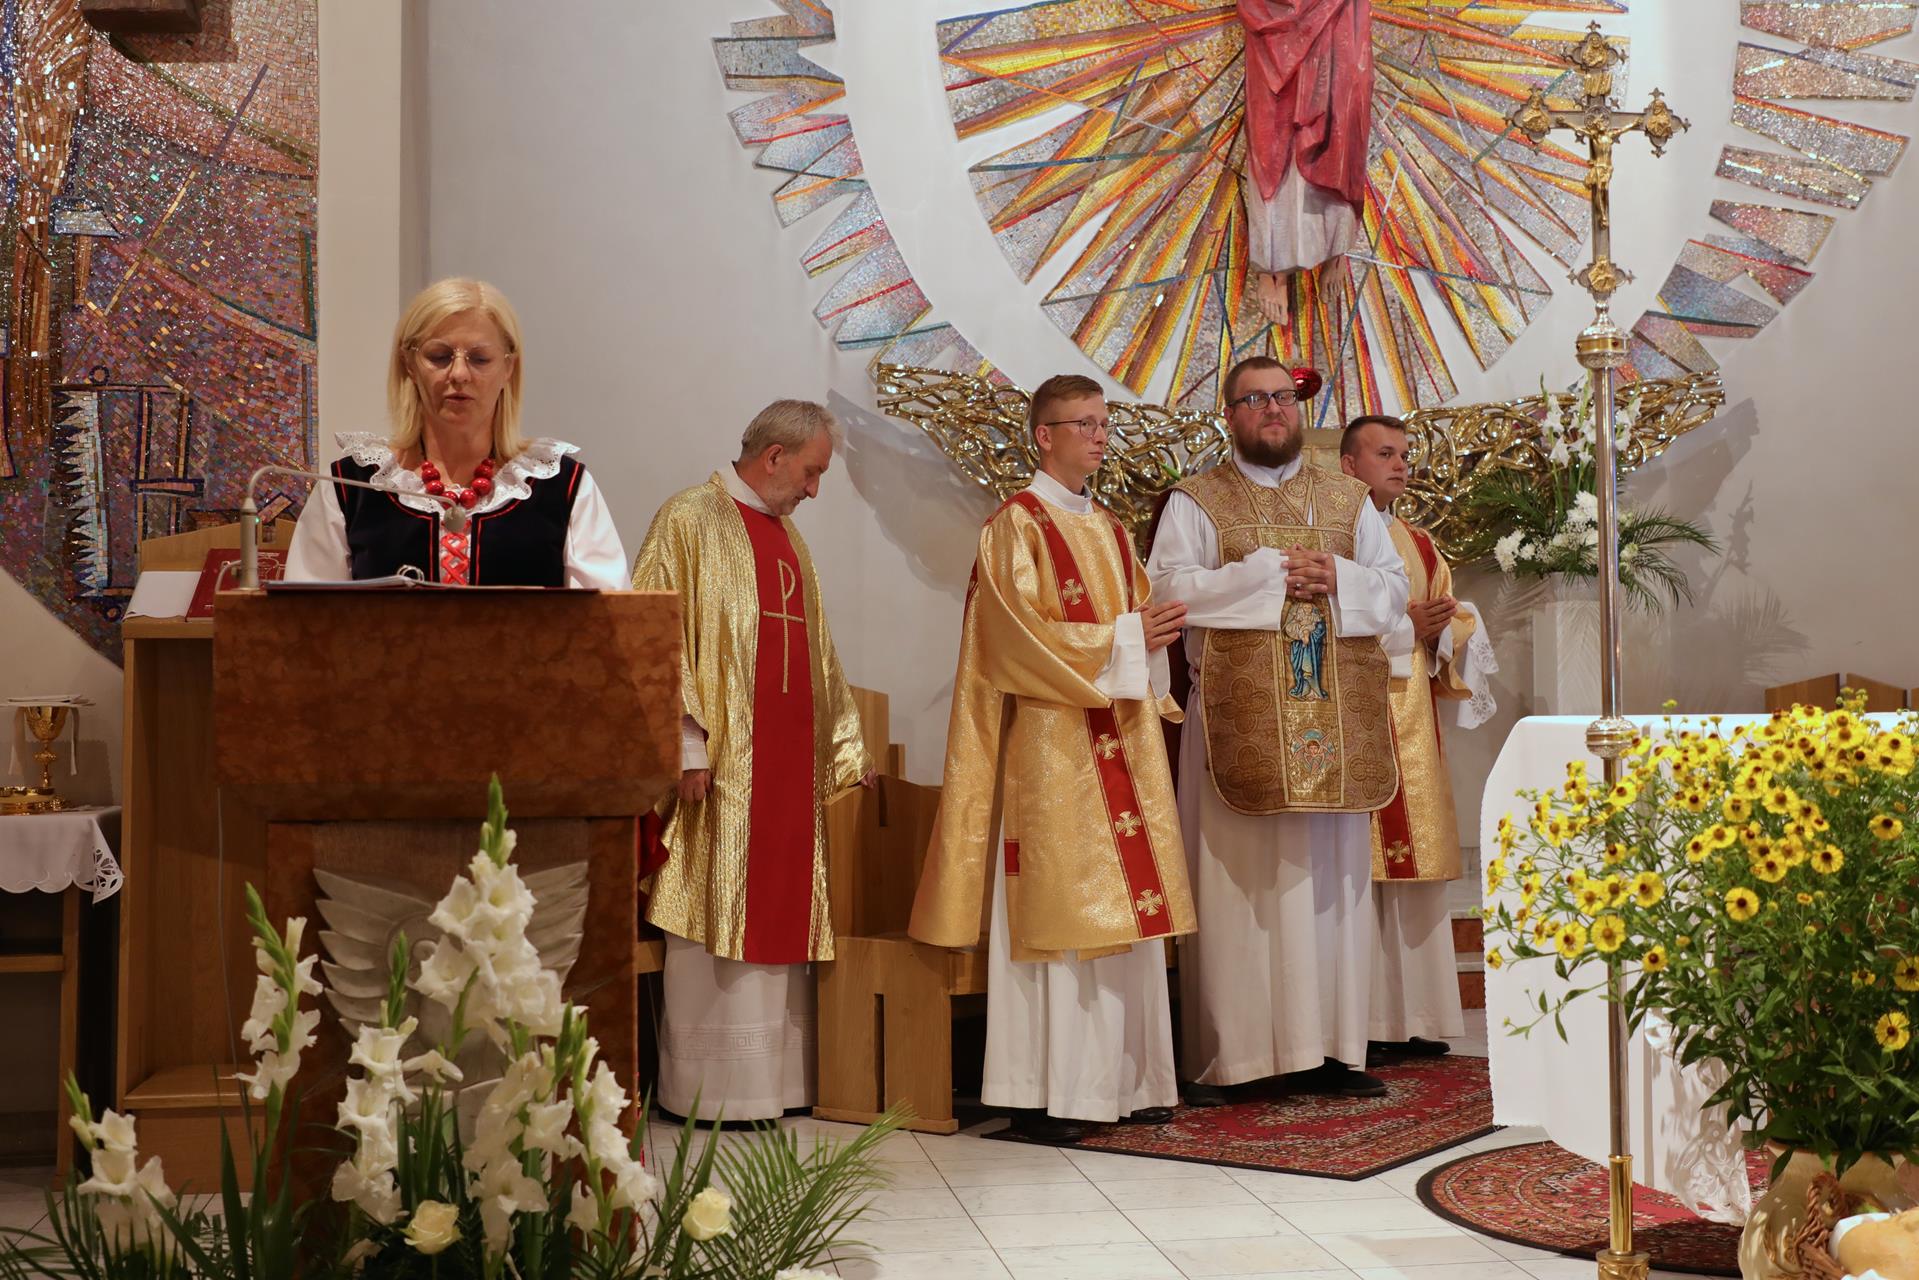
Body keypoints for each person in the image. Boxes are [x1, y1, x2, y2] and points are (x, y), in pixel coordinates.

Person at [910, 373, 1196, 1143]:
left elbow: (1137, 625)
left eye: (1104, 423)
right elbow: (1011, 639)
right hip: (1051, 749)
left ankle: (1129, 1081)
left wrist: (1148, 636)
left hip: (1117, 738)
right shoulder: (1015, 525)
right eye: (1084, 424)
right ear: (1044, 435)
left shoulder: (1108, 528)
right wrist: (1127, 638)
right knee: (1062, 913)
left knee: (1124, 910)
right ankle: (1051, 1091)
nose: (1099, 436)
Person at [1146, 355, 1408, 1103]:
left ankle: (1332, 1051)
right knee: (1243, 889)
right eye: (1254, 400)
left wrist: (1340, 579)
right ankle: (1236, 1059)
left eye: (1283, 398)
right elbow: (1167, 591)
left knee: (1331, 888)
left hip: (1336, 721)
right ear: (1229, 416)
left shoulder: (1349, 499)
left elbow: (1392, 590)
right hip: (1241, 724)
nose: (1272, 410)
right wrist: (1265, 577)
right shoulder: (1196, 499)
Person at [631, 399, 874, 1123]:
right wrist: (684, 744)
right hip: (721, 770)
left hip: (785, 770)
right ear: (774, 456)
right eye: (811, 472)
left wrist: (844, 748)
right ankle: (708, 1093)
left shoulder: (788, 540)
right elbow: (653, 631)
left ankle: (774, 1087)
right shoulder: (689, 518)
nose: (813, 489)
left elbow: (819, 656)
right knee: (718, 903)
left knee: (777, 908)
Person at [286, 278, 626, 589]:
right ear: (409, 363)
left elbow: (609, 624)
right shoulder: (351, 487)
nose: (459, 374)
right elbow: (305, 624)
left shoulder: (562, 487)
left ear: (508, 367)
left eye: (480, 359)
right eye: (439, 356)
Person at [1338, 414, 1497, 1056]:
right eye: (1384, 454)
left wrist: (1441, 630)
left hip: (1412, 722)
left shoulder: (1424, 546)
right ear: (1348, 465)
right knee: (1359, 873)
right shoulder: (1334, 537)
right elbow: (1326, 618)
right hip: (1354, 718)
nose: (1400, 464)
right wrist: (1404, 623)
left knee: (1415, 873)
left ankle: (1416, 1017)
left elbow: (1450, 626)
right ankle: (1364, 1024)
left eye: (1404, 454)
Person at [1237, 0, 1374, 325]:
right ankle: (1274, 265)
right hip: (1272, 12)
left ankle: (1334, 241)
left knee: (1341, 114)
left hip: (1342, 14)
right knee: (1275, 129)